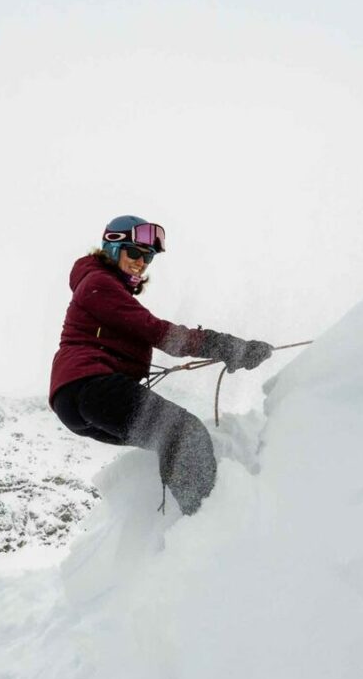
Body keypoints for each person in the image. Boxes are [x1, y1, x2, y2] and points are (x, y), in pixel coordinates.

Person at [48, 215, 273, 515]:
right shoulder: (99, 282)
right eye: (136, 253)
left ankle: (178, 527)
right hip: (91, 389)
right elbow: (158, 332)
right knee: (184, 432)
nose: (142, 263)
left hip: (78, 401)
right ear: (112, 248)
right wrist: (228, 346)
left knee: (169, 439)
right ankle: (207, 523)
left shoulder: (101, 287)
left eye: (149, 258)